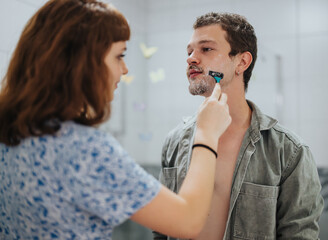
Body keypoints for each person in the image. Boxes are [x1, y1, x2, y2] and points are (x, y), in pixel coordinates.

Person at [0, 1, 232, 239]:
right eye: (119, 56)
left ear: (242, 62)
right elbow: (188, 221)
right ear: (82, 62)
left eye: (206, 49)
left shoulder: (11, 135)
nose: (125, 69)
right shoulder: (84, 150)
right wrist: (206, 134)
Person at [154, 12, 324, 240]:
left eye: (206, 49)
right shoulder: (174, 142)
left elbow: (299, 235)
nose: (191, 58)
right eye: (189, 51)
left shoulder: (289, 152)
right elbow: (162, 228)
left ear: (242, 62)